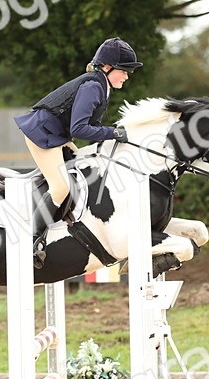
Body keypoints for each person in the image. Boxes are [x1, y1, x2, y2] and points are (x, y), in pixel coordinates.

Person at [13, 37, 140, 267]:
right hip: (43, 135)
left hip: (58, 135)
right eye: (124, 71)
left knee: (84, 161)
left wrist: (112, 134)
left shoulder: (102, 85)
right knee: (61, 187)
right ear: (108, 67)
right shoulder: (93, 86)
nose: (127, 76)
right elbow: (80, 128)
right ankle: (31, 239)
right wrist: (113, 133)